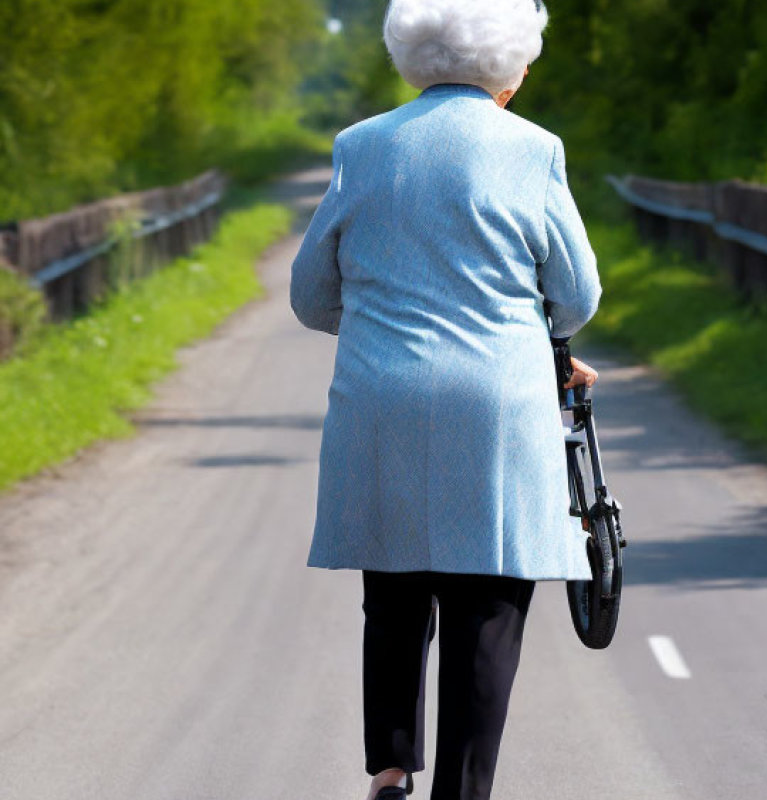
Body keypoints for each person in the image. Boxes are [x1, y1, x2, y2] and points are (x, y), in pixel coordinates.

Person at [289, 1, 601, 798]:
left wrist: (377, 327)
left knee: (392, 595)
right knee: (486, 607)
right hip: (496, 403)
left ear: (411, 55)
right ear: (510, 65)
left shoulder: (360, 146)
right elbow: (576, 294)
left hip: (381, 399)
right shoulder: (535, 150)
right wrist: (541, 338)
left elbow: (310, 294)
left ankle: (390, 773)